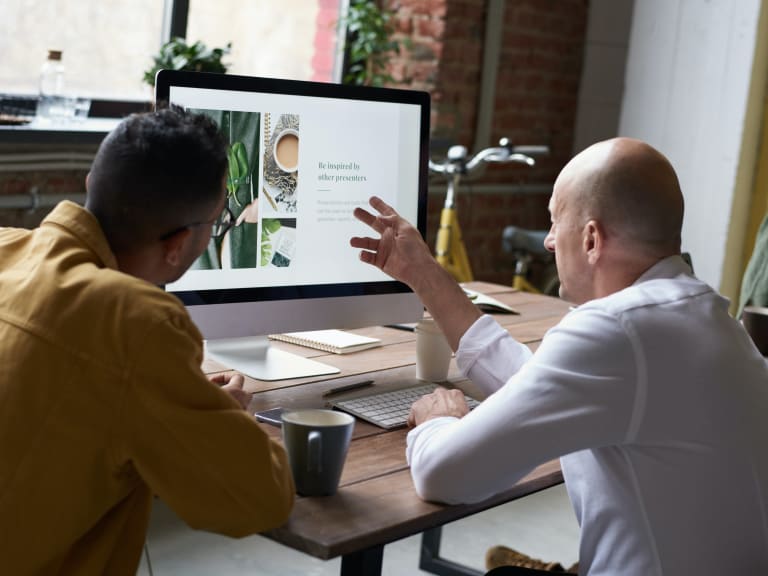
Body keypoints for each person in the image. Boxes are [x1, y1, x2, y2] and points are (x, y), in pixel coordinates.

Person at [350, 137, 768, 575]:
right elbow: (534, 382)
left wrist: (440, 419)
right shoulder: (705, 316)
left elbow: (444, 475)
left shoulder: (617, 328)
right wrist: (421, 272)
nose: (549, 241)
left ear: (591, 239)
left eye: (555, 221)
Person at [0, 108, 294, 575]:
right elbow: (259, 500)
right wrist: (225, 421)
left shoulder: (6, 248)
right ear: (178, 244)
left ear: (93, 179)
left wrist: (179, 403)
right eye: (215, 222)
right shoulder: (138, 323)